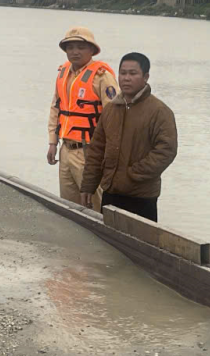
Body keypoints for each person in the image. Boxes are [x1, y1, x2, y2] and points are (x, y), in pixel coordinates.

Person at [79, 52, 177, 223]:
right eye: (123, 73)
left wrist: (133, 174)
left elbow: (166, 151)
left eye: (133, 73)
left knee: (141, 239)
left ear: (145, 77)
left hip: (141, 195)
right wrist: (88, 185)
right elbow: (97, 150)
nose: (126, 78)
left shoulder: (160, 111)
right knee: (107, 237)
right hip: (111, 192)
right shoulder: (110, 110)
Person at [47, 27, 119, 205]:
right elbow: (56, 108)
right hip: (66, 148)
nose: (75, 52)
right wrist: (52, 142)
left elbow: (114, 116)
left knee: (94, 203)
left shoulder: (102, 77)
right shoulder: (63, 73)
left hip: (90, 151)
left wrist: (108, 154)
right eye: (70, 47)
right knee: (68, 204)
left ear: (92, 50)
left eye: (81, 47)